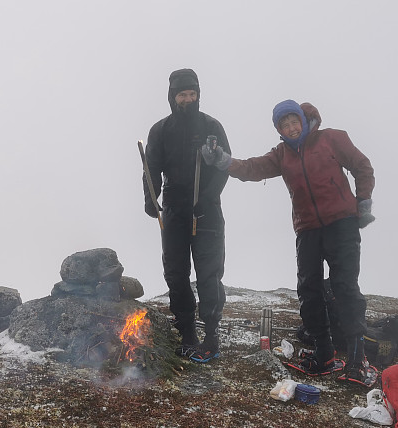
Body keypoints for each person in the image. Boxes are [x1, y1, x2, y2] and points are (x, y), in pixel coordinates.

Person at [200, 100, 378, 386]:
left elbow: (362, 166)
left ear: (304, 120)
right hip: (307, 229)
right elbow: (251, 169)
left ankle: (358, 359)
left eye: (294, 122)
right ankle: (324, 352)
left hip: (342, 223)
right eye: (285, 125)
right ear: (279, 130)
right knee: (309, 289)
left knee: (345, 286)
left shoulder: (332, 138)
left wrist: (364, 202)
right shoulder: (281, 154)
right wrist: (221, 159)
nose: (292, 128)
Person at [142, 69, 230, 362]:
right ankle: (187, 332)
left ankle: (212, 333)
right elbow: (151, 167)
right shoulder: (160, 130)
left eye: (192, 94)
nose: (188, 99)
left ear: (198, 95)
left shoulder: (211, 127)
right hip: (175, 208)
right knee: (176, 272)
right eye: (182, 94)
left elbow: (224, 166)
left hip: (207, 209)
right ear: (173, 96)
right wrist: (150, 198)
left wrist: (206, 197)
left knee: (209, 272)